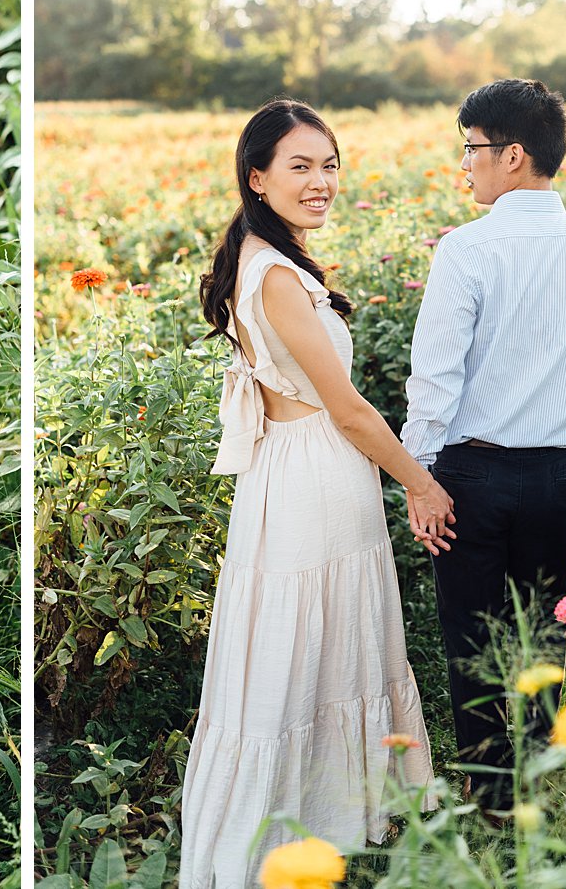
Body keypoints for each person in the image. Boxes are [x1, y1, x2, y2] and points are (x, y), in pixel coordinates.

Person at [179, 99, 444, 888]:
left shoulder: (267, 260)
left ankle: (334, 811)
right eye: (300, 166)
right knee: (300, 644)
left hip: (299, 472)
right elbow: (351, 410)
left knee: (322, 641)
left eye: (329, 164)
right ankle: (289, 825)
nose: (321, 181)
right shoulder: (274, 276)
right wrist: (421, 485)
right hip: (312, 472)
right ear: (257, 178)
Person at [401, 78, 566, 813]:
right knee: (545, 633)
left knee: (471, 637)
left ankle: (488, 796)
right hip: (554, 473)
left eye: (472, 148)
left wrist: (419, 476)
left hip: (468, 474)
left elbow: (434, 382)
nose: (465, 164)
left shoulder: (467, 251)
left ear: (512, 155)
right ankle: (540, 779)